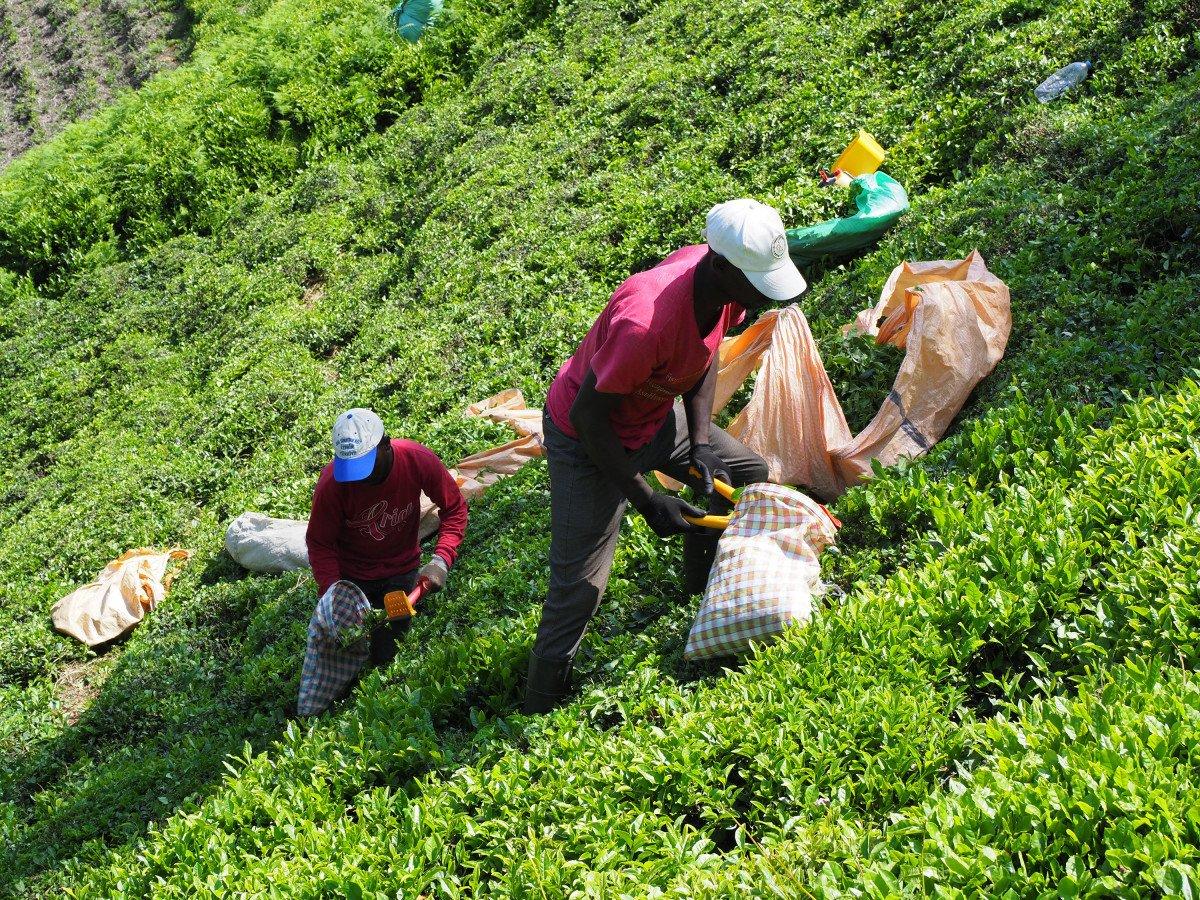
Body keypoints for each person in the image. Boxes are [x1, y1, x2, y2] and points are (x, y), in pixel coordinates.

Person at [525, 199, 808, 713]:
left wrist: (700, 444)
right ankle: (539, 706)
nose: (762, 296)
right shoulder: (645, 324)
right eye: (757, 284)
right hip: (587, 439)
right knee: (579, 587)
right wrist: (648, 499)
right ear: (721, 267)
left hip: (652, 416)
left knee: (743, 473)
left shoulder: (724, 285)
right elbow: (590, 418)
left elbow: (704, 355)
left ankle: (700, 590)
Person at [306, 408, 468, 665]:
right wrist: (333, 593)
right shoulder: (332, 484)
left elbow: (455, 508)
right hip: (353, 578)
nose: (359, 478)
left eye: (364, 466)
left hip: (401, 569)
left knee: (385, 653)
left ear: (385, 444)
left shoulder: (416, 460)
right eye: (352, 469)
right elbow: (320, 543)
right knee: (345, 650)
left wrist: (441, 559)